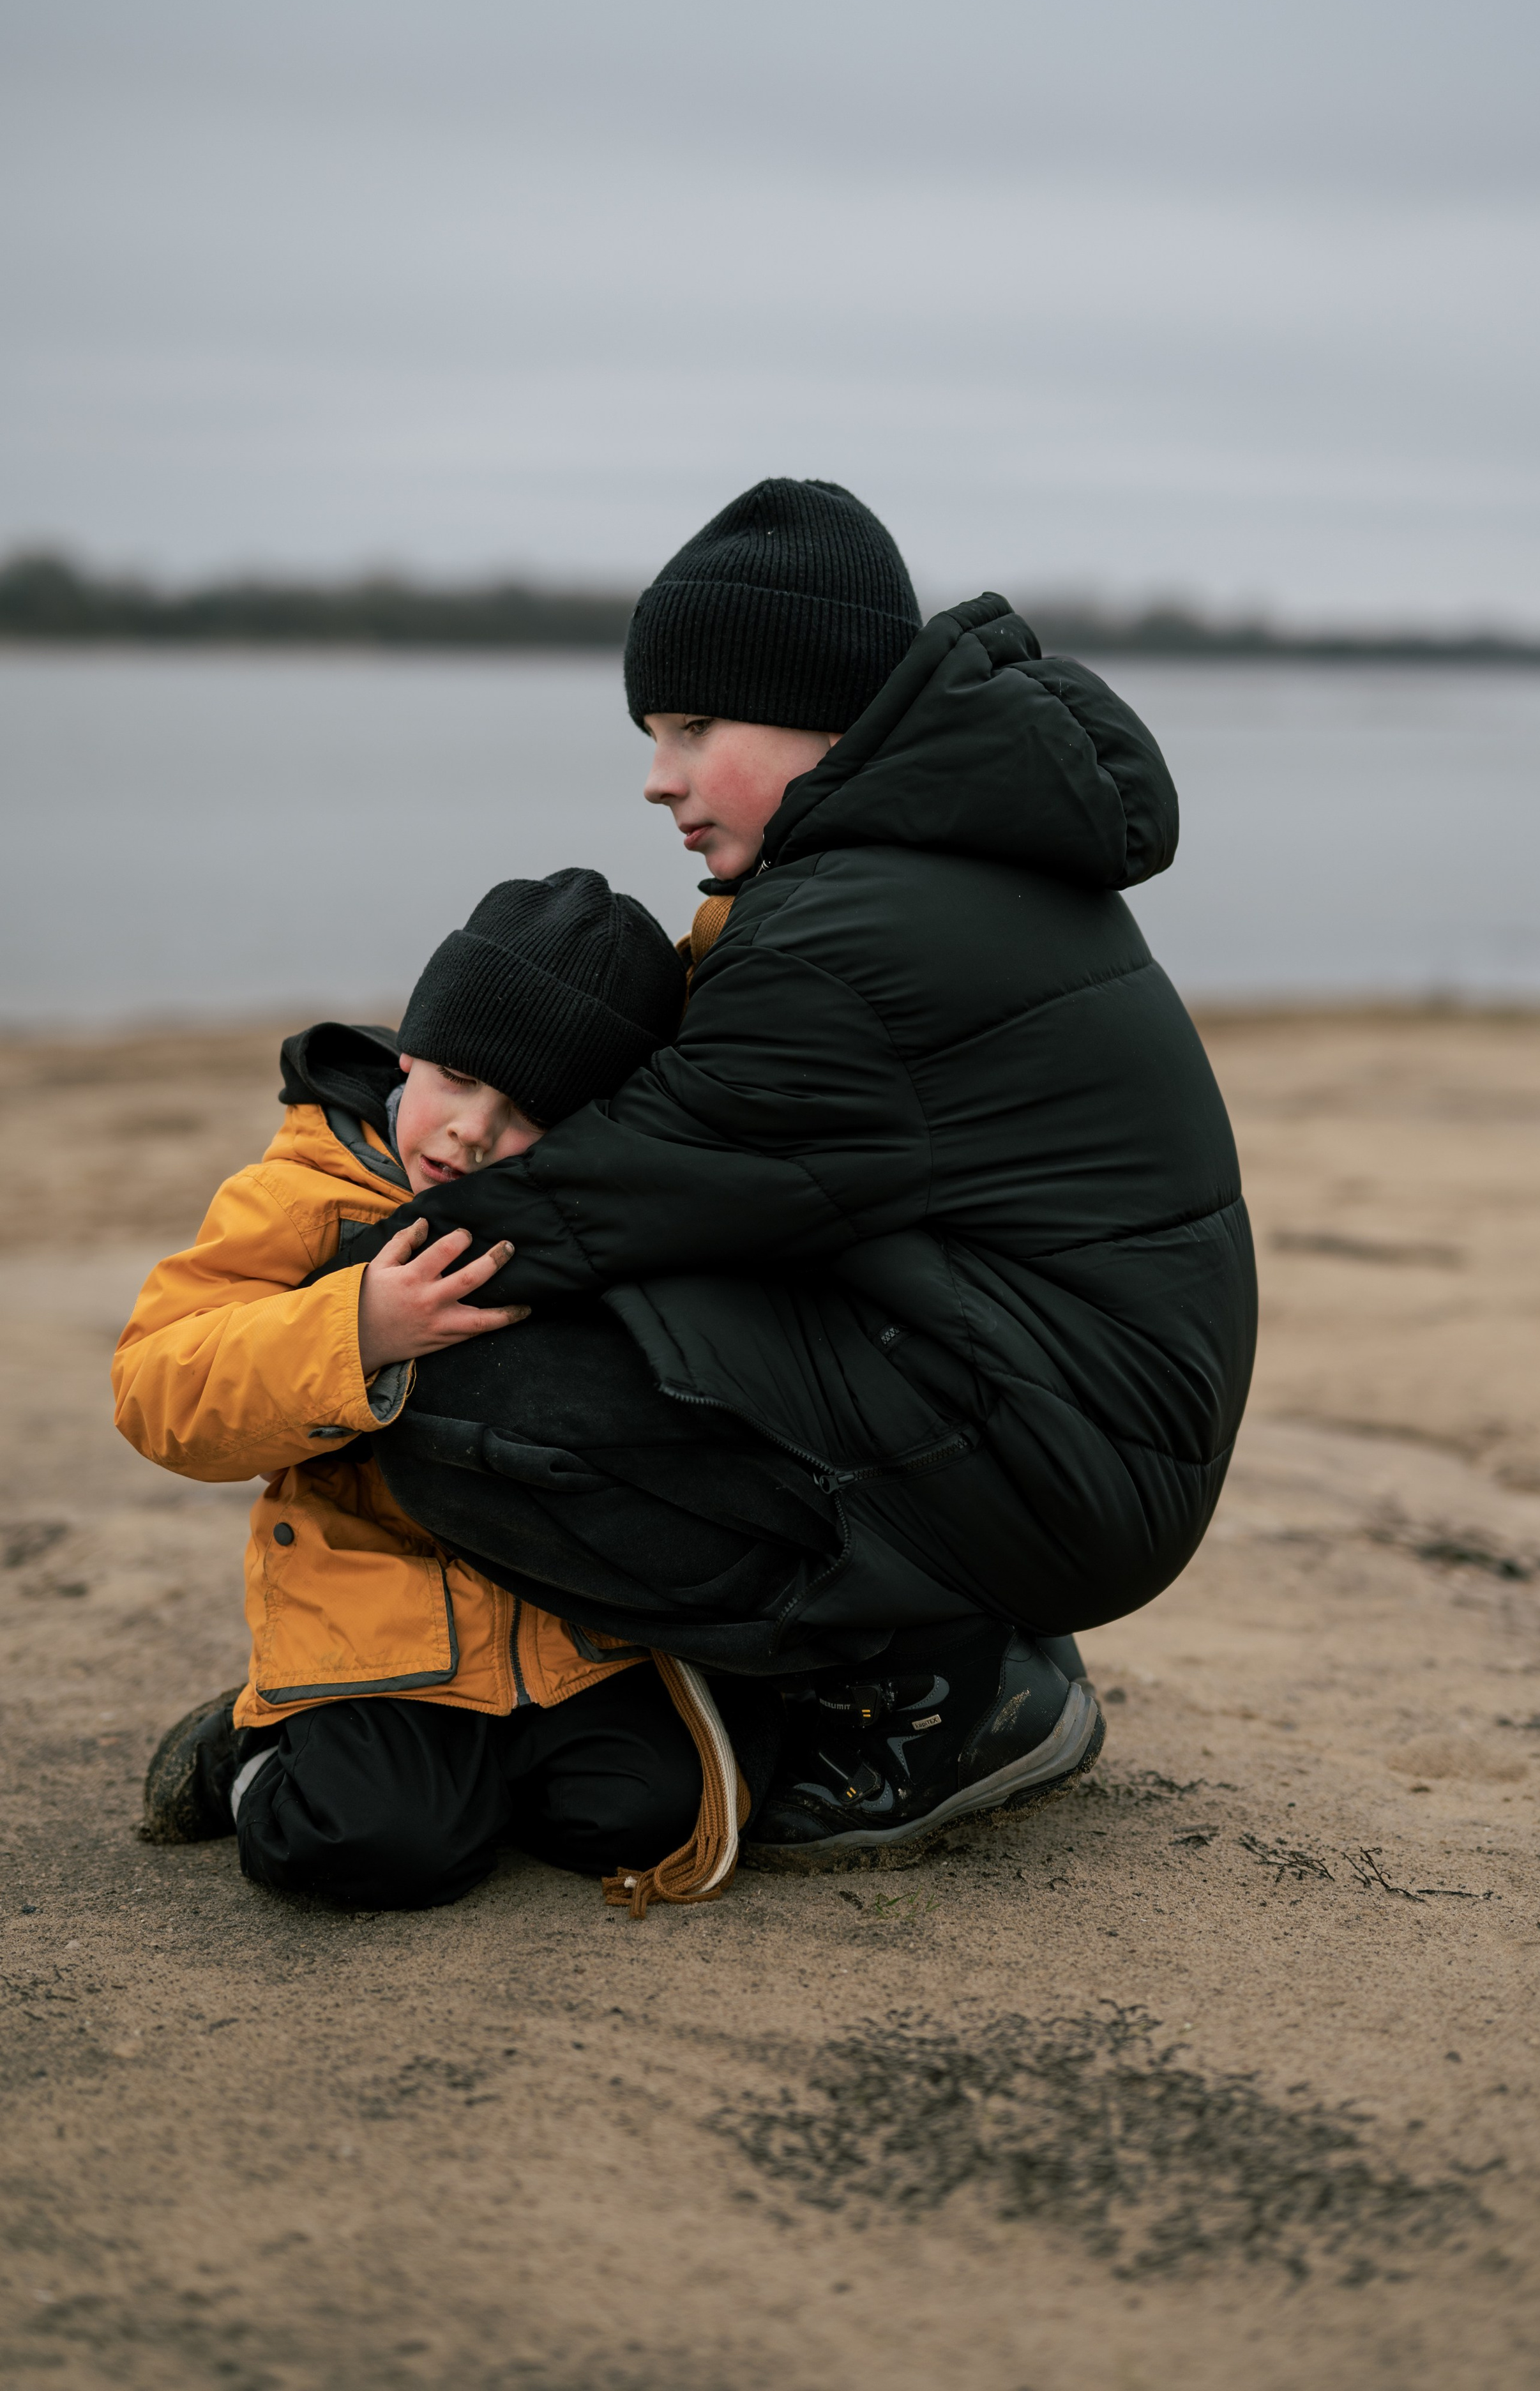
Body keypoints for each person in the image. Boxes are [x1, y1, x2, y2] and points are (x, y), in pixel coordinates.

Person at [326, 478, 1259, 1871]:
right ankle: (943, 1631)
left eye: (695, 729)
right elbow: (692, 1161)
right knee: (542, 1323)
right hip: (1056, 1408)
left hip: (1060, 1453)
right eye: (655, 734)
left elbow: (628, 1188)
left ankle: (930, 1687)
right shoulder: (920, 861)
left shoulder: (846, 929)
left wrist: (345, 1293)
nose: (659, 775)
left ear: (822, 713)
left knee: (444, 1391)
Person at [114, 869, 750, 1913]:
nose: (468, 1135)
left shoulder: (589, 1221)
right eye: (458, 1076)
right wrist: (355, 1328)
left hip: (565, 1631)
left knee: (651, 1815)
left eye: (527, 1114)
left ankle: (473, 1781)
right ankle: (249, 1751)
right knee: (375, 1846)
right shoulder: (304, 1197)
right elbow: (155, 1389)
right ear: (410, 1043)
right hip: (375, 1625)